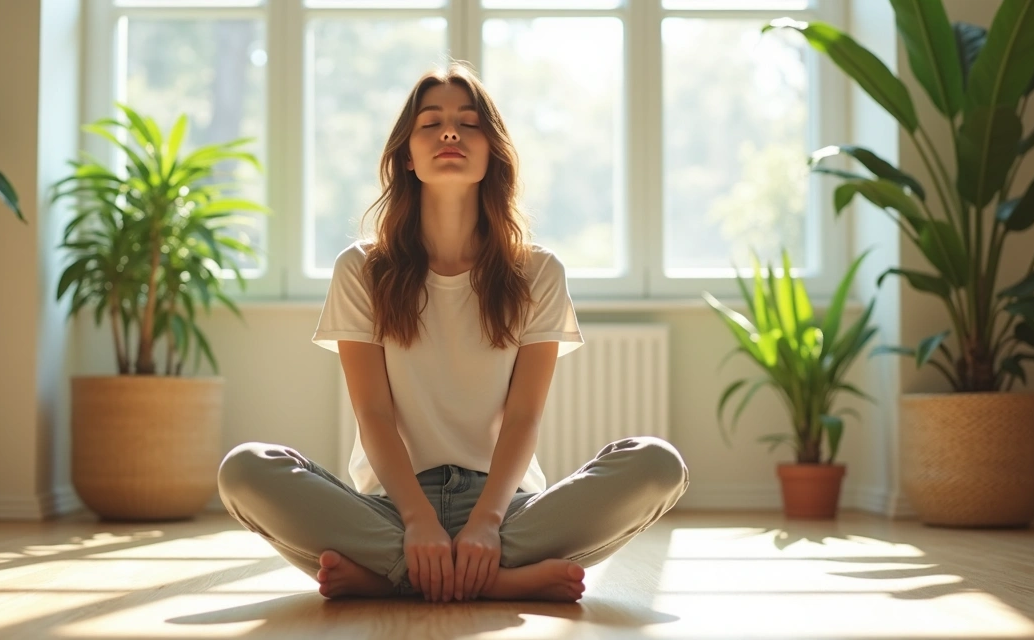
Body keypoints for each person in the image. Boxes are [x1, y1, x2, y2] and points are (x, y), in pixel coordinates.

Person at [218, 62, 689, 603]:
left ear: (492, 153)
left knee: (657, 464)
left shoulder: (538, 271)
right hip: (391, 506)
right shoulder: (361, 268)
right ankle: (489, 580)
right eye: (431, 123)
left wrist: (487, 522)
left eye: (468, 123)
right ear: (407, 156)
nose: (449, 132)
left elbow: (524, 416)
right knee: (245, 470)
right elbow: (373, 413)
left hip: (504, 506)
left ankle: (395, 578)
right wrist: (417, 521)